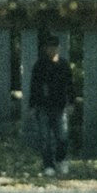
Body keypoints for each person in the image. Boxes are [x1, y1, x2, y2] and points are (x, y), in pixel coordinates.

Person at [27, 31, 74, 176]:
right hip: (43, 106)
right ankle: (48, 165)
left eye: (54, 47)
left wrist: (71, 102)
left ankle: (60, 160)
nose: (52, 50)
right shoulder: (39, 65)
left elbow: (70, 85)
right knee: (45, 138)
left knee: (63, 137)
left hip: (59, 106)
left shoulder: (64, 65)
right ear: (46, 49)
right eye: (49, 47)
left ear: (58, 48)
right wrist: (32, 106)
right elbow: (34, 86)